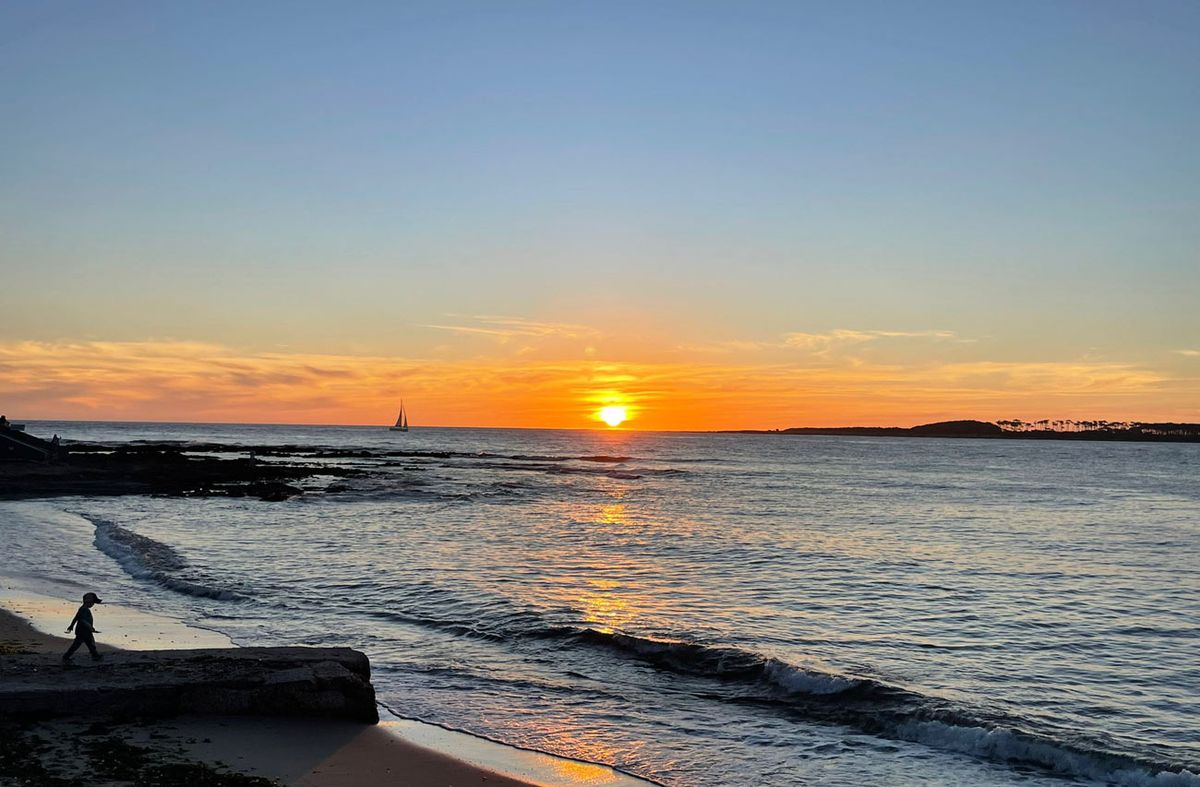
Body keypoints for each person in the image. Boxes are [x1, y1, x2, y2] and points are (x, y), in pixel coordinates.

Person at [63, 592, 104, 662]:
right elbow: (82, 620)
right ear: (89, 602)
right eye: (92, 602)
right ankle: (66, 656)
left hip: (84, 630)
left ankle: (95, 655)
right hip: (83, 631)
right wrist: (90, 627)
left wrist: (71, 626)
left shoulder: (82, 608)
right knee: (77, 645)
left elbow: (76, 618)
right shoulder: (84, 609)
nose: (93, 604)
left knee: (90, 644)